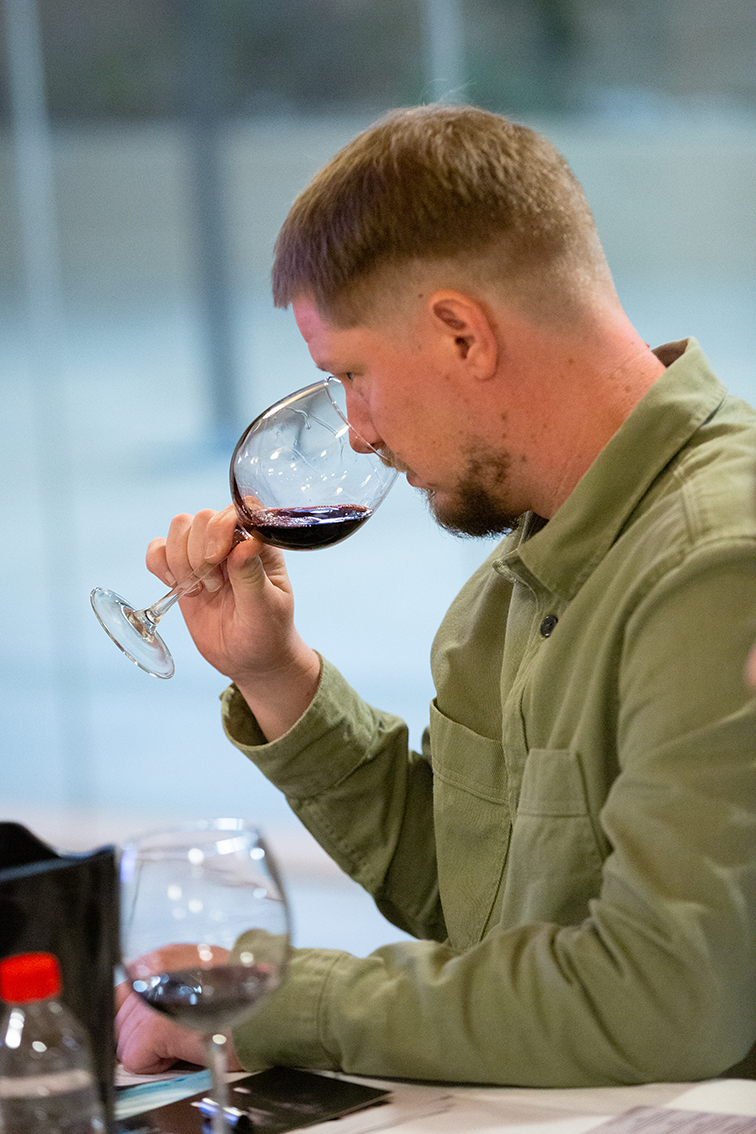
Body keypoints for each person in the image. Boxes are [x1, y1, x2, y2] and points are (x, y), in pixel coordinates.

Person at [115, 104, 756, 1087]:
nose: (359, 432)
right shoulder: (515, 577)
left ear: (461, 333)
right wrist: (276, 675)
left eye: (353, 374)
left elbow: (662, 1000)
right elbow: (476, 899)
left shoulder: (718, 562)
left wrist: (271, 1000)